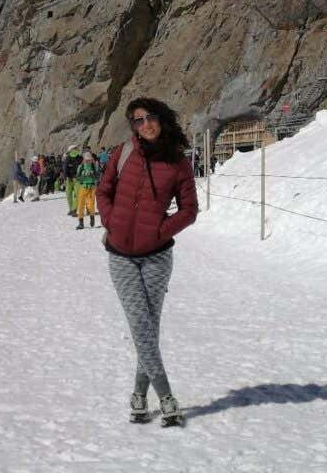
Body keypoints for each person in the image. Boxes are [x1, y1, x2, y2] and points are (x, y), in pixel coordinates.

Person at [96, 97, 198, 427]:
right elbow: (103, 191)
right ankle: (166, 396)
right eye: (137, 121)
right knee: (141, 324)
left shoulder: (178, 162)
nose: (145, 125)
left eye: (150, 118)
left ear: (162, 119)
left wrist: (158, 231)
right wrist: (112, 222)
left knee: (147, 329)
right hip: (120, 256)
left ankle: (139, 396)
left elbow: (188, 210)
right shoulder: (123, 153)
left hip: (156, 257)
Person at [74, 150, 99, 229]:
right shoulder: (80, 167)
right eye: (87, 160)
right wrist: (83, 175)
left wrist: (92, 175)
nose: (88, 161)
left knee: (91, 204)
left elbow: (97, 177)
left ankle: (92, 217)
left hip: (91, 187)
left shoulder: (93, 166)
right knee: (81, 205)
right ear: (84, 159)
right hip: (83, 187)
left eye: (89, 160)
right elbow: (77, 177)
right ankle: (81, 223)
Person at [64, 147, 82, 216]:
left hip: (76, 179)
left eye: (76, 149)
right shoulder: (68, 158)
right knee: (69, 194)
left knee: (76, 194)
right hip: (70, 178)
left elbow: (82, 167)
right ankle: (71, 209)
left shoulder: (80, 158)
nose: (75, 150)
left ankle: (74, 209)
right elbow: (65, 168)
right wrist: (66, 177)